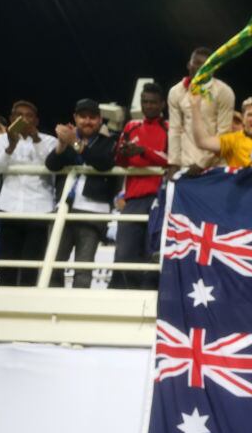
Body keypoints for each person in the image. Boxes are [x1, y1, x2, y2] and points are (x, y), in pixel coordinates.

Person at [45, 99, 117, 289]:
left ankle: (75, 315)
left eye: (92, 117)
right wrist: (62, 144)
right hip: (63, 209)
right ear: (75, 118)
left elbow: (103, 162)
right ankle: (49, 309)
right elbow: (51, 165)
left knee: (83, 269)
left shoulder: (109, 141)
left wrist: (74, 142)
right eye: (83, 117)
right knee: (53, 265)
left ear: (100, 120)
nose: (87, 121)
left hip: (93, 213)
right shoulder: (68, 141)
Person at [0, 100, 57, 287]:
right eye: (19, 115)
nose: (24, 119)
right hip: (10, 206)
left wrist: (36, 140)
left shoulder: (49, 141)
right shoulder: (1, 141)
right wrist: (10, 147)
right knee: (7, 263)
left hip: (39, 208)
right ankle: (2, 308)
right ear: (11, 119)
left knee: (31, 264)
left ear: (36, 120)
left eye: (29, 115)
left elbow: (53, 168)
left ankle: (27, 307)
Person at [114, 82, 169, 289]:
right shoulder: (130, 126)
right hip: (133, 199)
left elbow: (173, 159)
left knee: (153, 254)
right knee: (125, 253)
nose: (149, 106)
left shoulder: (169, 128)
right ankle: (130, 295)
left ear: (162, 104)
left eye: (153, 102)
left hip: (160, 199)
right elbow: (118, 161)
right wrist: (124, 153)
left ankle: (148, 295)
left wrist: (142, 151)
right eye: (145, 102)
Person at [167, 46, 236, 172]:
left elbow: (224, 134)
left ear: (213, 68)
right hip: (186, 164)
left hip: (216, 166)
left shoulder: (224, 92)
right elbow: (174, 129)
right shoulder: (176, 92)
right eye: (197, 63)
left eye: (206, 65)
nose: (201, 68)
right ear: (189, 65)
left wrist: (202, 164)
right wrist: (173, 163)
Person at [188, 94, 252, 168]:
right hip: (239, 183)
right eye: (250, 115)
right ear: (244, 119)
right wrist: (195, 107)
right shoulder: (232, 140)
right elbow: (202, 141)